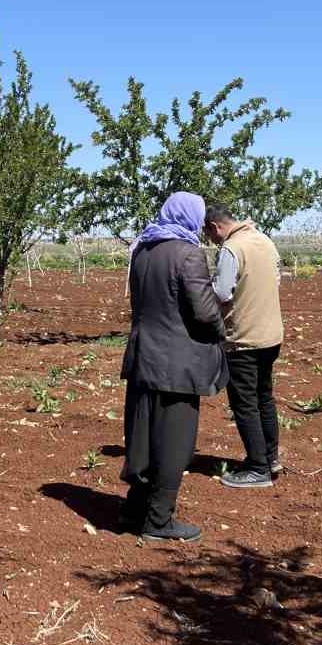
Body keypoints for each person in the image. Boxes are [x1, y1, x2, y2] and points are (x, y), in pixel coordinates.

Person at [119, 191, 227, 541]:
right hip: (176, 365)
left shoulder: (142, 249)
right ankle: (158, 521)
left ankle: (135, 508)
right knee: (173, 442)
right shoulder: (188, 253)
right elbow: (204, 311)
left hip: (143, 358)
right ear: (191, 217)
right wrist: (221, 330)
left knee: (143, 435)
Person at [203, 204, 284, 489]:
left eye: (208, 233)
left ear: (214, 226)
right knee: (264, 397)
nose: (210, 239)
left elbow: (223, 293)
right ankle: (270, 458)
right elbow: (276, 279)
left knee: (245, 404)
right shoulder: (264, 240)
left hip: (244, 339)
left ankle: (258, 468)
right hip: (271, 334)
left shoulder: (231, 248)